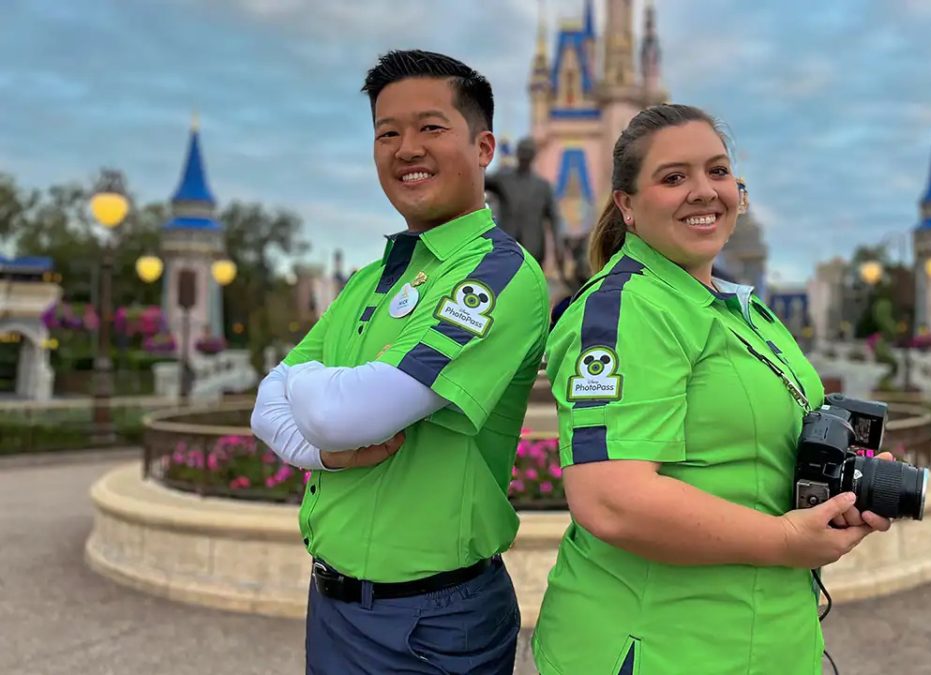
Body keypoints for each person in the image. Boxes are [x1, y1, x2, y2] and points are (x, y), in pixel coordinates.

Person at [531, 104, 895, 675]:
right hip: (663, 648)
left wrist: (844, 492)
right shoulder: (628, 309)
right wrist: (783, 541)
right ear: (626, 205)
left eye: (717, 172)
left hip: (765, 638)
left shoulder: (745, 313)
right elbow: (611, 501)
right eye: (674, 178)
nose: (704, 191)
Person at [249, 49, 549, 674]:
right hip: (334, 606)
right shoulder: (370, 279)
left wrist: (307, 388)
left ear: (484, 147)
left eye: (431, 128)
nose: (406, 147)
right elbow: (267, 406)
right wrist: (323, 449)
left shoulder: (497, 273)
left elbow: (349, 415)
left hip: (433, 623)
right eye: (388, 133)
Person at [485, 136, 564, 278]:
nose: (525, 155)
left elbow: (554, 217)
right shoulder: (503, 179)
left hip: (534, 249)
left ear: (534, 155)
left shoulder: (543, 186)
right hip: (505, 247)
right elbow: (479, 182)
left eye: (528, 152)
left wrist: (559, 245)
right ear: (517, 153)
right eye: (522, 151)